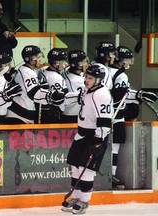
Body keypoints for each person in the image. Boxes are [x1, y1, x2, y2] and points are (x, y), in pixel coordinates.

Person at [61, 64, 113, 214]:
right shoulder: (87, 90)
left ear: (98, 79)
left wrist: (99, 140)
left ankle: (84, 201)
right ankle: (76, 198)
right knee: (75, 168)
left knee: (87, 170)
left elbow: (104, 120)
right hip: (82, 135)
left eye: (90, 78)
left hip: (95, 137)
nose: (86, 80)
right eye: (86, 77)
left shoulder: (101, 94)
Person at [108, 45, 158, 189]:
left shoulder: (106, 71)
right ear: (121, 60)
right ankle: (110, 175)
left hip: (105, 113)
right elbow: (123, 94)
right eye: (128, 60)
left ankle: (107, 175)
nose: (129, 63)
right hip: (115, 115)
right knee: (115, 146)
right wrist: (138, 96)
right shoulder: (120, 74)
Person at [5, 45, 65, 124]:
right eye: (38, 57)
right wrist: (50, 96)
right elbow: (33, 92)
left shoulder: (31, 70)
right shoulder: (26, 72)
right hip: (17, 116)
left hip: (24, 115)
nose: (40, 59)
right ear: (30, 59)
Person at [38, 48, 69, 123]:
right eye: (63, 62)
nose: (65, 64)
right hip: (52, 114)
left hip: (42, 110)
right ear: (56, 63)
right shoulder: (56, 77)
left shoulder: (43, 69)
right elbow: (63, 97)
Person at [61, 49, 89, 123]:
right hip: (72, 116)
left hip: (70, 114)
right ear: (78, 64)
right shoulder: (76, 81)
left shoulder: (67, 71)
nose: (86, 63)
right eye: (84, 61)